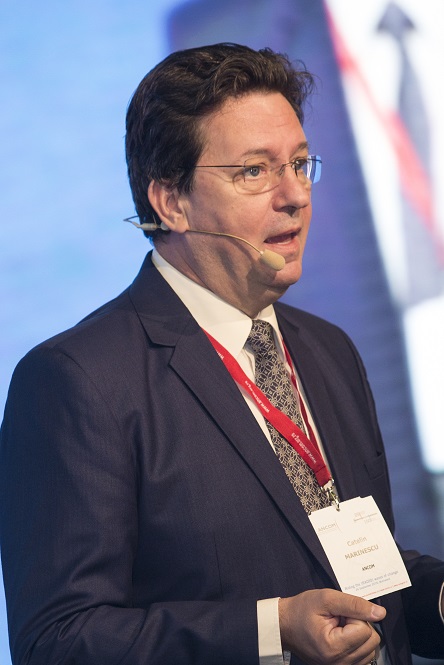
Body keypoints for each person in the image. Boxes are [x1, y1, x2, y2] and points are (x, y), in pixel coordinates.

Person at [0, 43, 443, 665]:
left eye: (299, 163)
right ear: (172, 202)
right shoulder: (76, 381)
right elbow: (59, 640)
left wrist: (437, 598)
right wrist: (273, 630)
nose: (294, 195)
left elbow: (359, 567)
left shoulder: (329, 349)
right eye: (254, 172)